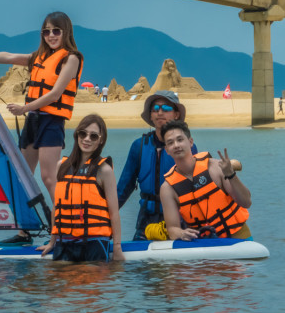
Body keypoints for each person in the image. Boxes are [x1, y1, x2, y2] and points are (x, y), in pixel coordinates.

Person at [0, 11, 82, 244]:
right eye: (46, 31)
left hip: (51, 122)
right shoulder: (38, 56)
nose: (51, 35)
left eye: (56, 30)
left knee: (48, 178)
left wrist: (25, 109)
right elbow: (8, 56)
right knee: (22, 176)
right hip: (33, 122)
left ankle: (62, 232)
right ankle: (25, 231)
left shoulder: (71, 58)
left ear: (65, 32)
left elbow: (56, 93)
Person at [40, 114, 125, 261]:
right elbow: (57, 207)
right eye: (83, 133)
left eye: (93, 136)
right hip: (64, 241)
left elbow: (114, 212)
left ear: (101, 140)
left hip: (94, 243)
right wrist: (52, 241)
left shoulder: (104, 171)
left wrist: (117, 247)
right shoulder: (62, 166)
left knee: (88, 282)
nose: (86, 139)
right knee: (56, 282)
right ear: (77, 134)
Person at [116, 91, 197, 240]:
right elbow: (122, 190)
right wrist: (103, 219)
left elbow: (198, 187)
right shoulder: (139, 147)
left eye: (166, 108)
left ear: (176, 114)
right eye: (155, 109)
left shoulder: (187, 147)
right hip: (146, 221)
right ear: (151, 116)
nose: (160, 112)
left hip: (180, 220)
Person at [158, 120, 252, 241]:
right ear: (167, 150)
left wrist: (231, 175)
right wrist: (181, 233)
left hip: (237, 236)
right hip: (202, 245)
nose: (176, 145)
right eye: (170, 143)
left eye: (180, 140)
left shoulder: (215, 167)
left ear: (190, 142)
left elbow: (246, 202)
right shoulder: (167, 189)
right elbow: (172, 229)